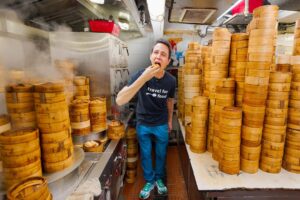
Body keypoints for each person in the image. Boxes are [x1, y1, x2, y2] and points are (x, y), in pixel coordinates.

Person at [116, 38, 176, 199]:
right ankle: (149, 181)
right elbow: (120, 100)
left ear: (168, 61)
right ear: (151, 56)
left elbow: (170, 101)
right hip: (143, 123)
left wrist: (170, 120)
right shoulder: (139, 75)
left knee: (161, 154)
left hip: (161, 123)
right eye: (156, 52)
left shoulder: (171, 81)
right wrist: (144, 77)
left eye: (163, 54)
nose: (158, 56)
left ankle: (159, 179)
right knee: (146, 154)